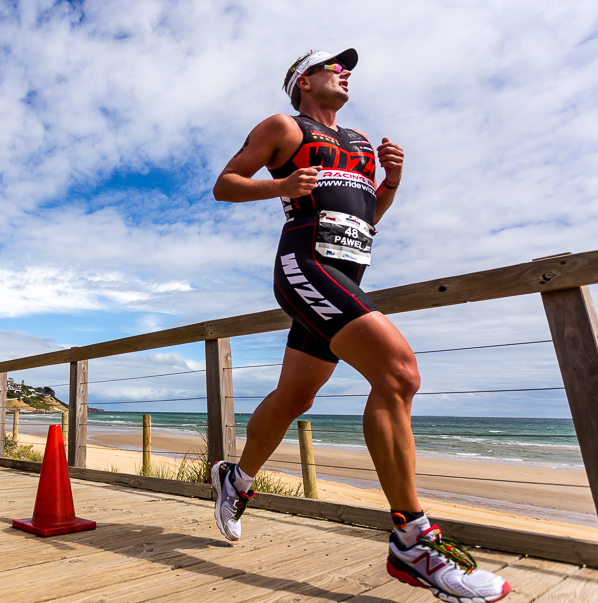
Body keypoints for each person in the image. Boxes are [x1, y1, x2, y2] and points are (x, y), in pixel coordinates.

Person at [209, 48, 511, 602]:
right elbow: (225, 184)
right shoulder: (283, 127)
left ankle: (236, 479)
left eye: (348, 68)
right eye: (333, 66)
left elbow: (367, 220)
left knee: (296, 397)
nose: (344, 73)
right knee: (398, 374)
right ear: (303, 81)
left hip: (347, 273)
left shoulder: (361, 142)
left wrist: (391, 181)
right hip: (306, 266)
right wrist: (279, 187)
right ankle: (413, 541)